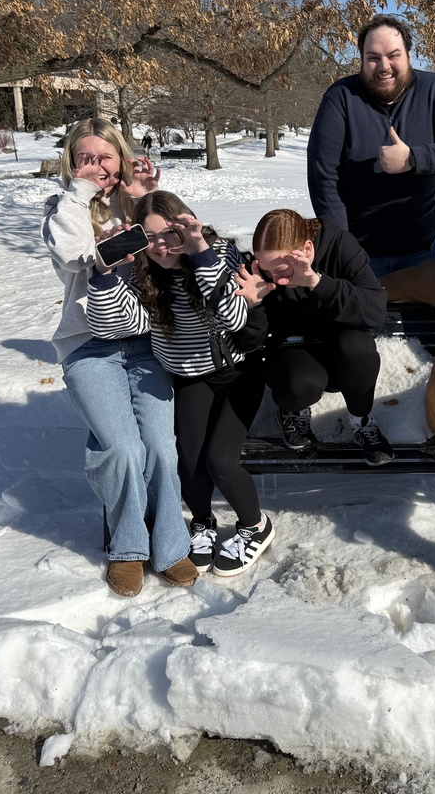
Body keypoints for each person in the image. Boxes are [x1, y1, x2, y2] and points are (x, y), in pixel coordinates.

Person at [41, 118, 197, 598]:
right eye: (84, 158)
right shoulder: (62, 208)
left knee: (160, 448)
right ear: (72, 163)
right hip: (87, 347)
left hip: (146, 343)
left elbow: (175, 252)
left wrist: (148, 196)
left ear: (121, 157)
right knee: (123, 449)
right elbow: (69, 254)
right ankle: (128, 548)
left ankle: (170, 545)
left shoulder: (137, 198)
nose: (95, 166)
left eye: (104, 156)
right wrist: (78, 193)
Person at [86, 191, 275, 579]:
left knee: (220, 460)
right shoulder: (143, 274)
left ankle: (255, 526)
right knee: (185, 460)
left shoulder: (220, 254)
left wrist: (201, 252)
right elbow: (116, 325)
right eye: (149, 237)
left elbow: (235, 316)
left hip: (238, 373)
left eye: (168, 233)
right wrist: (104, 274)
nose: (159, 246)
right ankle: (202, 523)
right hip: (190, 378)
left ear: (186, 225)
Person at [307, 14, 435, 276]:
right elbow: (323, 177)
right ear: (361, 60)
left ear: (409, 56)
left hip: (428, 247)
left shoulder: (434, 90)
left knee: (432, 318)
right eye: (373, 58)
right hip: (362, 254)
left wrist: (415, 158)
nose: (384, 66)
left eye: (393, 55)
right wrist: (343, 249)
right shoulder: (341, 99)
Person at [252, 208, 393, 466]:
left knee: (358, 348)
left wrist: (319, 284)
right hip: (292, 349)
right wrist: (253, 305)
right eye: (267, 270)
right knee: (299, 382)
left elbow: (374, 311)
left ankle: (361, 420)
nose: (276, 280)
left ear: (306, 249)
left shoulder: (339, 244)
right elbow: (252, 341)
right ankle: (293, 411)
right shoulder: (265, 272)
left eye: (282, 270)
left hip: (340, 345)